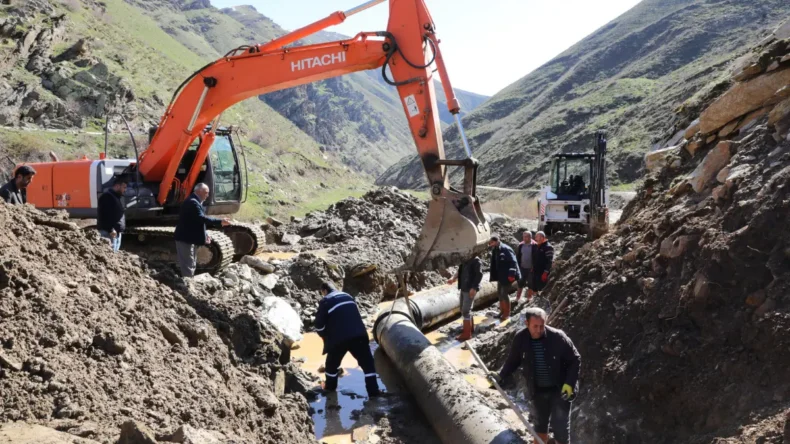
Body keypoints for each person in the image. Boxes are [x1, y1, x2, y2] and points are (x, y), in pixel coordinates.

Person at [491, 307, 580, 444]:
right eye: (535, 326)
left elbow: (575, 359)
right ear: (527, 324)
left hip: (561, 389)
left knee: (561, 429)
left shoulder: (558, 337)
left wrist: (570, 383)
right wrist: (500, 375)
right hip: (538, 390)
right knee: (539, 427)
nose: (539, 330)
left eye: (542, 326)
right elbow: (513, 361)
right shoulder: (521, 339)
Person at [314, 281, 381, 397]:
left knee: (331, 364)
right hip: (359, 335)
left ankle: (330, 388)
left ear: (324, 291)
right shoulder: (348, 296)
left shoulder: (326, 301)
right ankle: (374, 392)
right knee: (368, 363)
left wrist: (325, 335)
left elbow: (319, 325)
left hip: (339, 339)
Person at [173, 183, 230, 277]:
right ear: (199, 191)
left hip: (189, 237)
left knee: (191, 263)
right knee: (188, 264)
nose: (207, 195)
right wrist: (220, 221)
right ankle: (186, 286)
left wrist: (205, 234)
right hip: (185, 238)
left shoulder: (195, 202)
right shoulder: (193, 202)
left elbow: (197, 222)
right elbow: (201, 218)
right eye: (206, 193)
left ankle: (188, 284)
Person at [447, 252, 483, 341]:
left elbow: (479, 275)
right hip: (463, 288)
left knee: (466, 311)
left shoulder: (476, 260)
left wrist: (474, 288)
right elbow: (460, 270)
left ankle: (467, 334)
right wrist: (453, 278)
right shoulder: (465, 259)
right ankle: (470, 329)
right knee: (463, 310)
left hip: (470, 289)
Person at [488, 235, 520, 321]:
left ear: (495, 241)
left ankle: (507, 314)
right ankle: (502, 311)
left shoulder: (505, 249)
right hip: (501, 276)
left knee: (504, 294)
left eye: (490, 243)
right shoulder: (496, 249)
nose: (489, 245)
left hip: (507, 276)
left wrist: (512, 275)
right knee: (499, 293)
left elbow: (513, 262)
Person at [96, 176, 128, 252]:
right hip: (110, 233)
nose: (125, 190)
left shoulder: (116, 197)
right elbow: (104, 215)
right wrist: (110, 229)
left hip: (115, 232)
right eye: (124, 187)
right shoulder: (107, 197)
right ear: (117, 186)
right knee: (109, 253)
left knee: (114, 254)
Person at [515, 230, 536, 303]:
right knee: (520, 282)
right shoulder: (521, 245)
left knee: (530, 283)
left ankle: (529, 297)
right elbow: (518, 257)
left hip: (531, 268)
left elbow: (537, 258)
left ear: (530, 237)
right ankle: (517, 298)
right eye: (523, 237)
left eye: (526, 237)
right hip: (522, 268)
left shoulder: (534, 245)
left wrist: (534, 267)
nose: (524, 238)